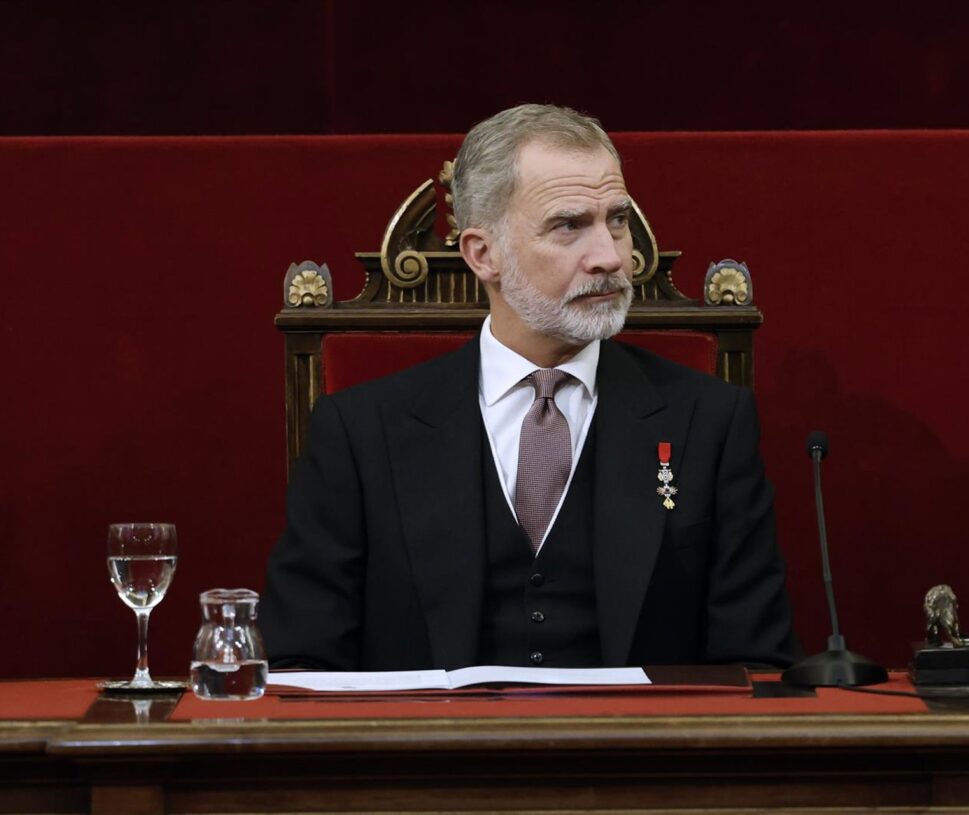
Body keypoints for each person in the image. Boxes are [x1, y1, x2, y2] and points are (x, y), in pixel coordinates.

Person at [262, 104, 799, 670]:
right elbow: (301, 666)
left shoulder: (710, 422)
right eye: (569, 225)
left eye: (615, 220)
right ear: (482, 254)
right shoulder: (358, 432)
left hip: (642, 754)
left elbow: (756, 667)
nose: (611, 257)